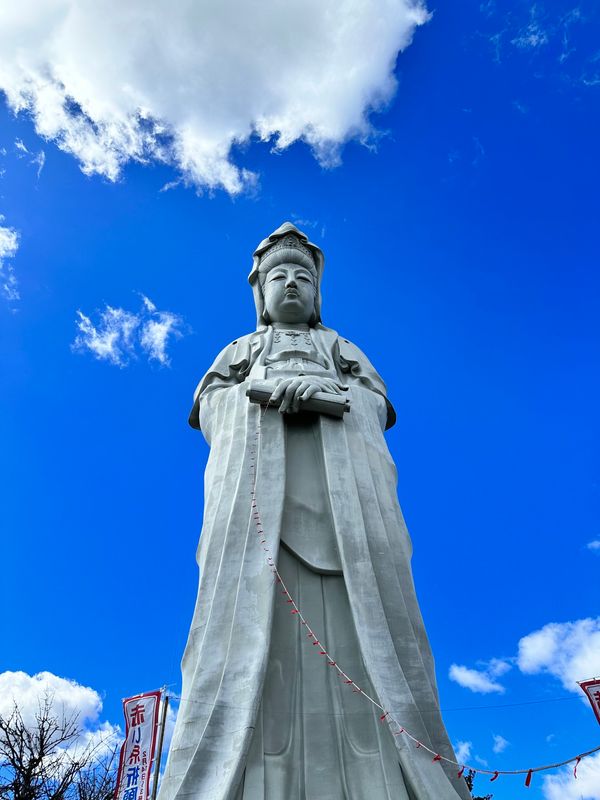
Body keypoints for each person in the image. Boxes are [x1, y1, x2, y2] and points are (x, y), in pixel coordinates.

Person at [158, 223, 470, 800]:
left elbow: (375, 404)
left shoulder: (341, 350)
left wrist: (335, 401)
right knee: (253, 636)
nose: (292, 284)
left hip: (344, 510)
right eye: (279, 275)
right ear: (260, 292)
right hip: (260, 519)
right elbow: (211, 405)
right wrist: (263, 400)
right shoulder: (240, 352)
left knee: (366, 636)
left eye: (303, 274)